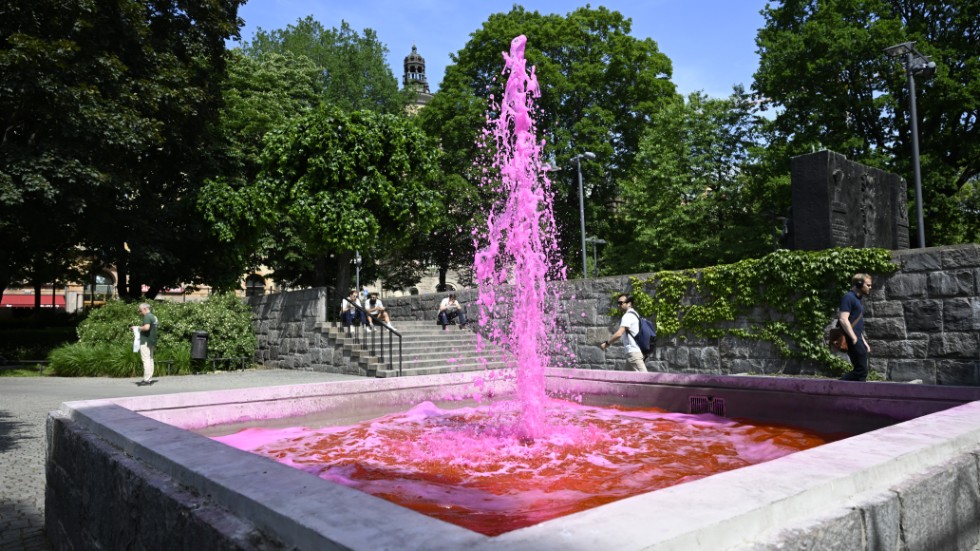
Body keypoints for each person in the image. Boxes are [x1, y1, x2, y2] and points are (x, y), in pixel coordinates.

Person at [599, 294, 647, 372]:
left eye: (621, 303)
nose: (618, 305)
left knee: (646, 380)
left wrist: (606, 344)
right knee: (624, 379)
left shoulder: (627, 316)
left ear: (629, 303)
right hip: (633, 352)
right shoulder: (635, 314)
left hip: (633, 353)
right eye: (618, 303)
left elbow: (619, 334)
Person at [839, 273, 872, 381]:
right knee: (861, 370)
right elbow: (843, 319)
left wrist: (864, 341)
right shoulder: (848, 297)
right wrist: (853, 338)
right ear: (859, 284)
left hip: (857, 338)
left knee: (861, 371)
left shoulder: (857, 300)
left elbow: (856, 324)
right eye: (868, 285)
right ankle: (837, 386)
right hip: (852, 338)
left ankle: (857, 394)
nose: (870, 288)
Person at [131, 303, 158, 385]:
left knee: (146, 360)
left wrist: (137, 328)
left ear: (145, 309)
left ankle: (146, 380)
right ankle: (149, 378)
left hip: (145, 340)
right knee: (150, 359)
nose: (140, 312)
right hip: (152, 340)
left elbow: (146, 328)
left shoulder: (147, 316)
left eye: (141, 310)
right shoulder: (154, 317)